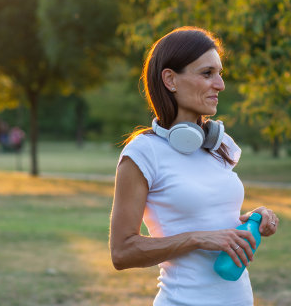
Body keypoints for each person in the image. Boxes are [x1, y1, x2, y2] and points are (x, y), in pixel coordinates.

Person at [110, 26, 279, 306]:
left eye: (220, 74)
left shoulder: (220, 145)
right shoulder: (142, 153)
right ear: (170, 79)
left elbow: (211, 217)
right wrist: (197, 239)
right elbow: (122, 252)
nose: (220, 84)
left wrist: (252, 220)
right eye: (207, 73)